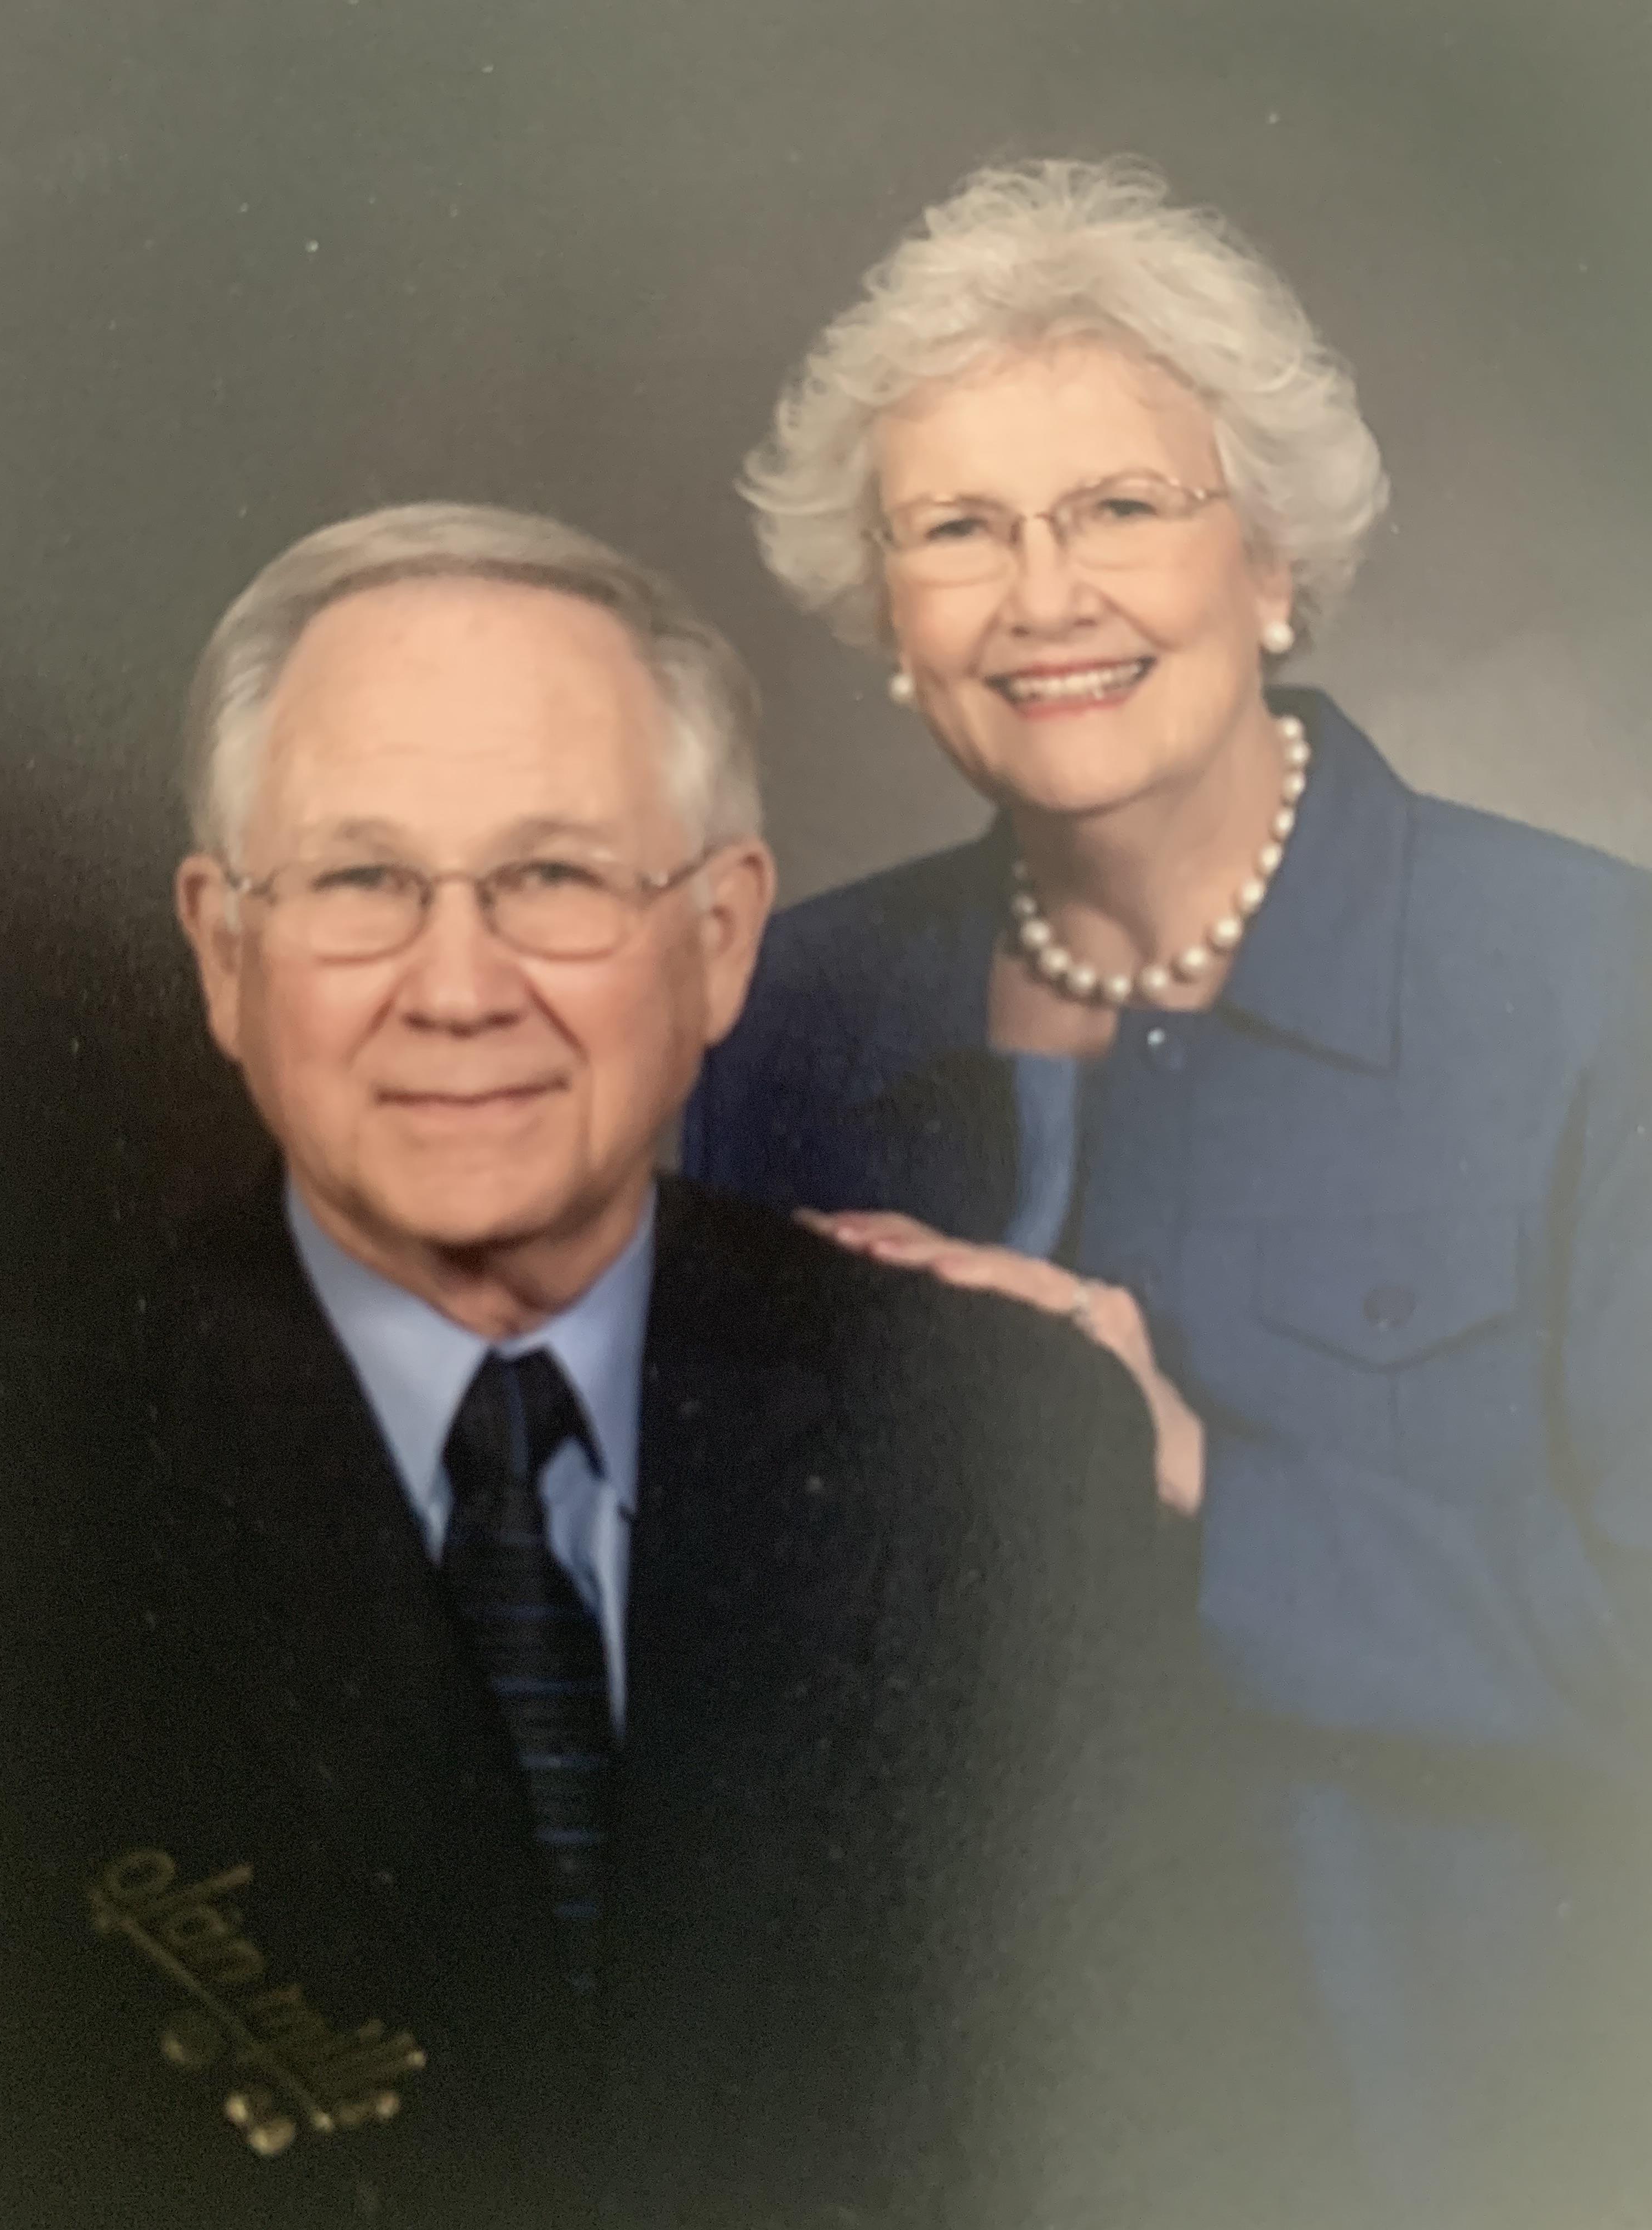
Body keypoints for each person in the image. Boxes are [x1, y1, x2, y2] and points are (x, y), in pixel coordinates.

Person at [95, 498, 1296, 2230]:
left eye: (556, 878)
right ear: (223, 951)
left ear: (724, 935)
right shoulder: (37, 1479)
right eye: (362, 880)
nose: (457, 988)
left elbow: (1194, 2152)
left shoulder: (999, 1440)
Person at [684, 159, 1652, 2225]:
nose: (1046, 597)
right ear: (890, 618)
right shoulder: (782, 1019)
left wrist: (1191, 1462)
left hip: (1425, 2139)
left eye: (1122, 507)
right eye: (959, 531)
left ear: (1275, 564)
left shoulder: (1593, 991)